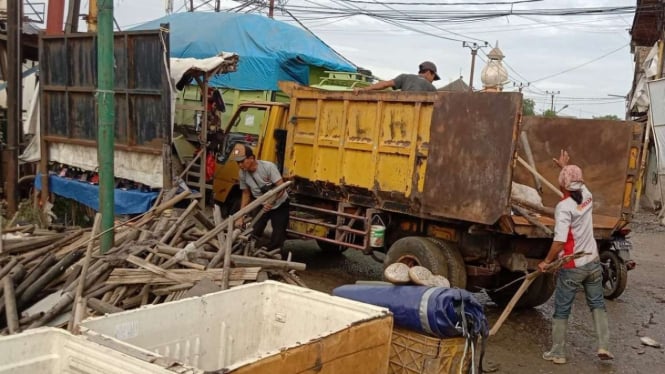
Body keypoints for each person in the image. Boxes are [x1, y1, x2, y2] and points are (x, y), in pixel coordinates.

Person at [538, 150, 613, 364]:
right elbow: (575, 182)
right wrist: (565, 167)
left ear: (562, 185)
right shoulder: (587, 197)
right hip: (593, 261)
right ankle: (604, 346)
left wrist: (546, 261)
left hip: (572, 265)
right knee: (597, 302)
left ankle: (558, 352)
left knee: (562, 308)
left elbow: (560, 241)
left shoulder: (564, 207)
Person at [232, 143, 289, 251]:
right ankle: (251, 249)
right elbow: (246, 193)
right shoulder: (242, 173)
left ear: (251, 158)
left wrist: (271, 202)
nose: (240, 165)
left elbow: (281, 187)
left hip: (280, 204)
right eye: (237, 162)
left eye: (242, 161)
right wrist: (240, 215)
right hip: (262, 204)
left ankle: (273, 255)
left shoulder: (268, 167)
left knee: (278, 235)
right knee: (254, 230)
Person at [353, 61, 440, 93]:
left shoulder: (405, 77)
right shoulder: (432, 89)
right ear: (429, 73)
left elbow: (384, 84)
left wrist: (363, 89)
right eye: (433, 78)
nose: (432, 81)